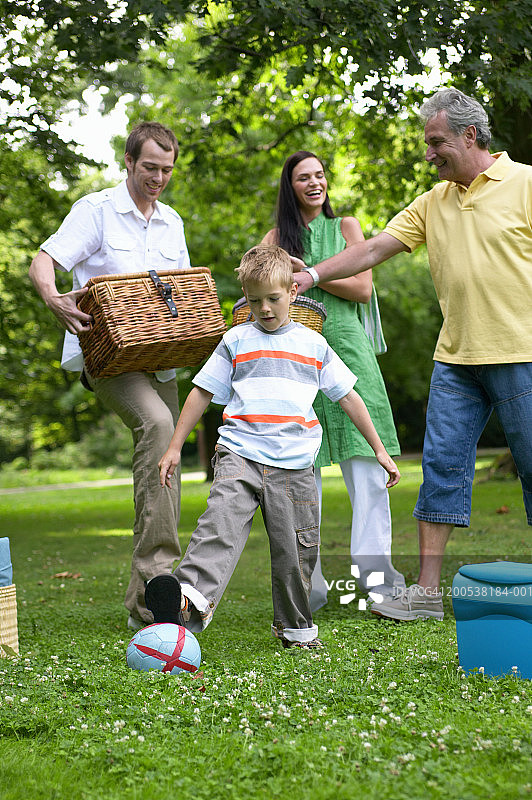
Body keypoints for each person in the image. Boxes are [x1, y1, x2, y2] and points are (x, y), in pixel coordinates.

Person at [292, 87, 532, 621]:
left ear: (470, 136)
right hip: (456, 359)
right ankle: (424, 594)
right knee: (443, 469)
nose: (428, 153)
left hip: (523, 354)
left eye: (436, 142)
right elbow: (373, 249)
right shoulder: (434, 201)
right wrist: (309, 274)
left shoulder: (526, 184)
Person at [144, 244, 400, 649]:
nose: (263, 308)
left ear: (293, 292)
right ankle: (185, 603)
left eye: (273, 298)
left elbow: (349, 396)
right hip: (239, 453)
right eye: (254, 300)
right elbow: (200, 393)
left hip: (295, 465)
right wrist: (175, 446)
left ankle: (295, 628)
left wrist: (380, 450)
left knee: (295, 551)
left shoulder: (313, 345)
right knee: (219, 524)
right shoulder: (235, 340)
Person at [29, 121, 191, 630]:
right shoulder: (96, 211)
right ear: (128, 161)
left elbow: (182, 292)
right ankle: (156, 589)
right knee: (159, 428)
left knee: (167, 458)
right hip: (108, 358)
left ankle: (150, 592)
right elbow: (44, 260)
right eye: (149, 168)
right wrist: (53, 297)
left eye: (166, 170)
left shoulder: (173, 223)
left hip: (161, 357)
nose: (158, 178)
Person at [262, 151, 405, 611]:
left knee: (366, 465)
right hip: (296, 358)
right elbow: (269, 295)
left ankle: (377, 580)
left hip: (347, 347)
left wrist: (308, 275)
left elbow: (363, 287)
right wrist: (315, 277)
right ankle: (311, 585)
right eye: (303, 177)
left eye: (320, 175)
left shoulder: (346, 227)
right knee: (303, 473)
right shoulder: (273, 239)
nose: (314, 183)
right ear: (290, 186)